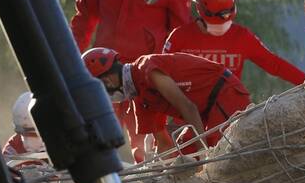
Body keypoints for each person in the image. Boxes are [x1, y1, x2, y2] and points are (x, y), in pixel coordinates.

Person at [70, 0, 192, 156]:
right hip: (102, 75)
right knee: (97, 138)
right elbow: (84, 20)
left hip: (144, 79)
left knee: (143, 146)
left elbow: (180, 40)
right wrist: (70, 63)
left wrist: (174, 85)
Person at [82, 47, 251, 155]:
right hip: (205, 114)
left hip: (227, 96)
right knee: (183, 154)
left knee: (218, 154)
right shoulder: (139, 99)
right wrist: (159, 173)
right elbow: (163, 143)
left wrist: (203, 153)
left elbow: (188, 108)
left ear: (107, 80)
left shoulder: (147, 68)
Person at [164, 0, 305, 87]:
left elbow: (274, 65)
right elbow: (160, 79)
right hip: (187, 121)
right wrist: (159, 125)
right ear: (199, 10)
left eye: (226, 20)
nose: (222, 27)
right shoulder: (179, 38)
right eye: (216, 21)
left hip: (229, 119)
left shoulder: (242, 37)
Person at [1, 92, 45, 157]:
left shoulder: (64, 141)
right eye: (20, 133)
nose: (25, 142)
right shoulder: (12, 151)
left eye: (31, 134)